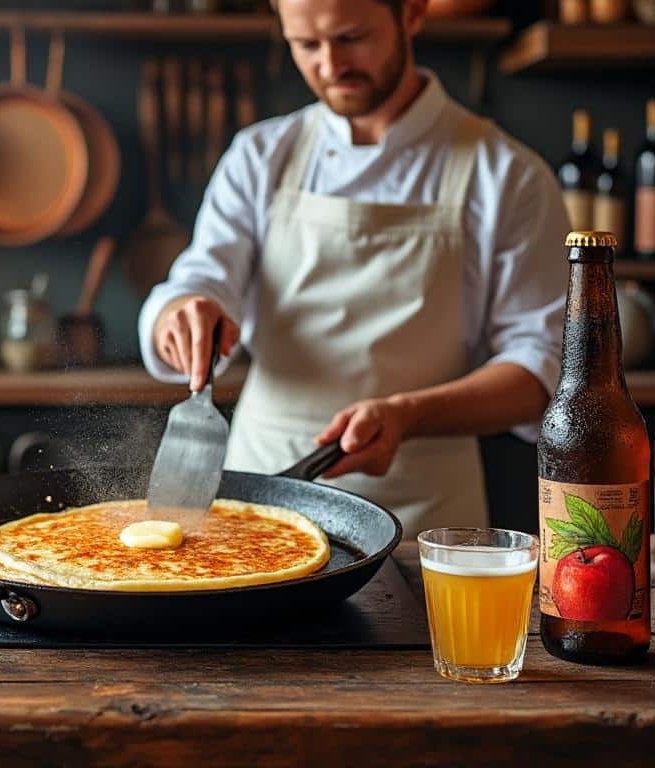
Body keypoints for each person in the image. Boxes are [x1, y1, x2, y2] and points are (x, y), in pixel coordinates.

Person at [139, 0, 569, 531]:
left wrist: (407, 415)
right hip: (260, 490)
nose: (330, 64)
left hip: (423, 516)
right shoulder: (260, 156)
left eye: (351, 37)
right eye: (306, 45)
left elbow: (542, 367)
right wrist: (180, 312)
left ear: (411, 14)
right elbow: (202, 277)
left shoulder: (509, 176)